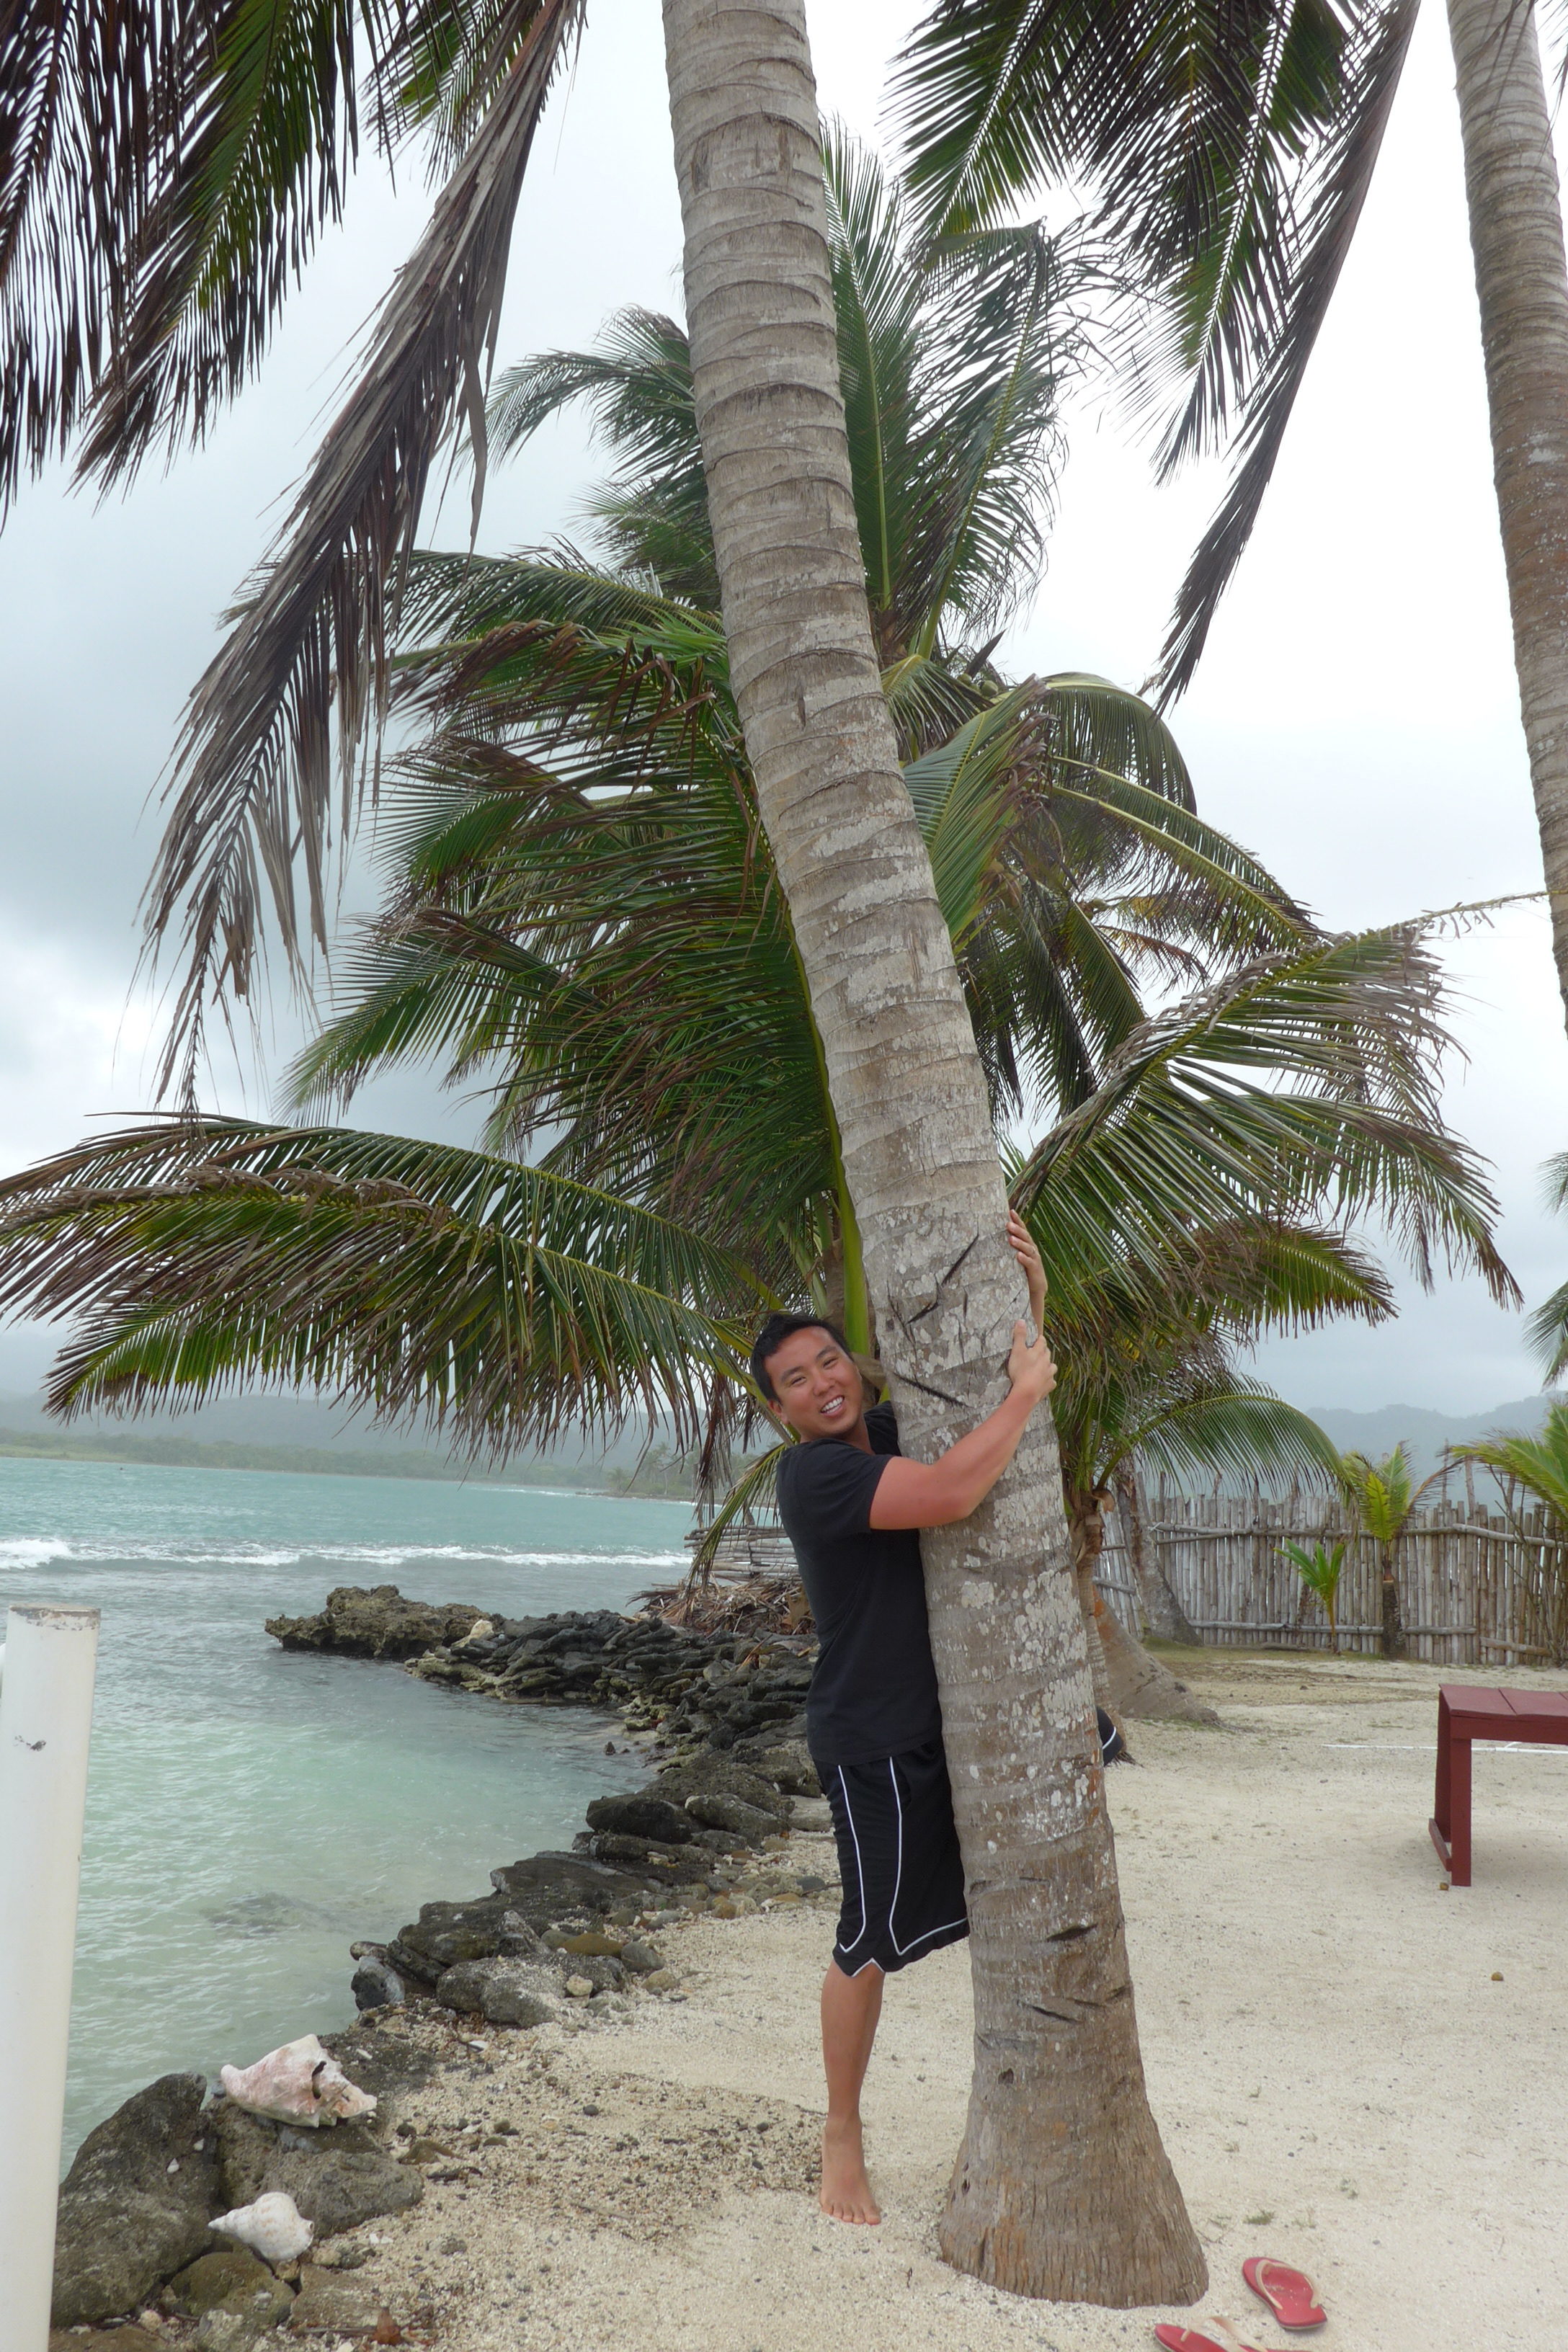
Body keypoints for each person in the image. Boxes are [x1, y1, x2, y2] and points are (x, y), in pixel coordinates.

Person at [753, 1208, 1100, 2229]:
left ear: (852, 1365)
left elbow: (992, 1419)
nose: (825, 1385)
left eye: (829, 1363)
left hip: (947, 1723)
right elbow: (955, 1490)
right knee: (866, 1939)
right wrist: (1028, 1390)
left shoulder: (890, 1431)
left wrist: (1030, 1304)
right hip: (870, 1739)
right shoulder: (815, 1475)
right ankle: (840, 2141)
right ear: (781, 1412)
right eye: (798, 1382)